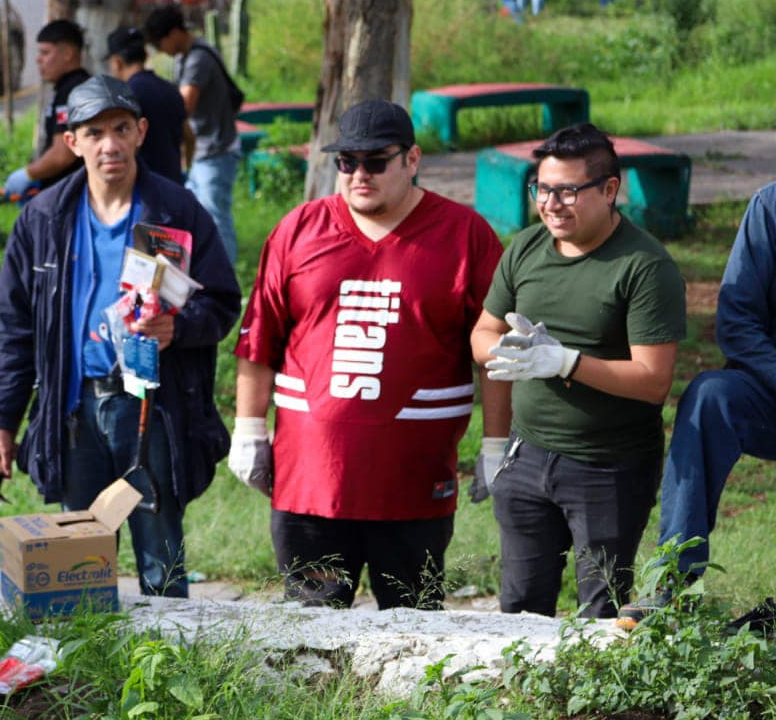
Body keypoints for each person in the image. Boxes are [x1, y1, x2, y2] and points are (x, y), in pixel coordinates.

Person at [230, 99, 508, 609]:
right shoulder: (299, 228)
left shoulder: (465, 235)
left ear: (412, 159)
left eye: (376, 161)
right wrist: (248, 430)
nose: (360, 174)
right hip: (310, 481)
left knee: (413, 627)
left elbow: (494, 351)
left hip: (413, 483)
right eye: (346, 162)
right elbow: (259, 336)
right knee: (307, 634)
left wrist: (496, 443)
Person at [0, 75, 240, 598]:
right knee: (78, 557)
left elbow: (221, 302)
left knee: (159, 556)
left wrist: (178, 327)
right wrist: (2, 420)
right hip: (73, 407)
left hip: (149, 407)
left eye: (121, 128)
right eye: (94, 132)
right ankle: (85, 670)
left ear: (141, 132)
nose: (110, 145)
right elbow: (14, 326)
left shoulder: (176, 211)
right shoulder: (43, 218)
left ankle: (168, 666)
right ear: (71, 142)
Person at [471, 123, 686, 619]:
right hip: (526, 458)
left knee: (602, 611)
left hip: (607, 465)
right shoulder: (525, 248)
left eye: (567, 190)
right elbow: (481, 333)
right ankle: (520, 699)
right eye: (542, 189)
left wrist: (565, 361)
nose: (551, 204)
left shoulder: (644, 266)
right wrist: (506, 351)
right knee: (521, 610)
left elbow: (653, 381)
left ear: (610, 190)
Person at [617, 182, 776, 627]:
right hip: (771, 388)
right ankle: (674, 578)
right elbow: (737, 318)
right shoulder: (770, 206)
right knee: (710, 397)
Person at [144, 4, 241, 264]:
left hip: (215, 150)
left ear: (175, 32)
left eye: (160, 41)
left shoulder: (198, 59)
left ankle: (227, 279)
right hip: (202, 151)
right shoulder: (184, 57)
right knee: (197, 219)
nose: (161, 49)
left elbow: (182, 105)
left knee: (217, 219)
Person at [1, 19, 90, 199]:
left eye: (45, 52)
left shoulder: (72, 92)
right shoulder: (70, 87)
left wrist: (28, 174)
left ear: (68, 54)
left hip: (72, 196)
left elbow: (62, 154)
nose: (38, 59)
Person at [103, 26, 187, 184]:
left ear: (116, 62)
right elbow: (189, 137)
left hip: (143, 190)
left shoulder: (124, 96)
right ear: (145, 55)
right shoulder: (170, 89)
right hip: (174, 187)